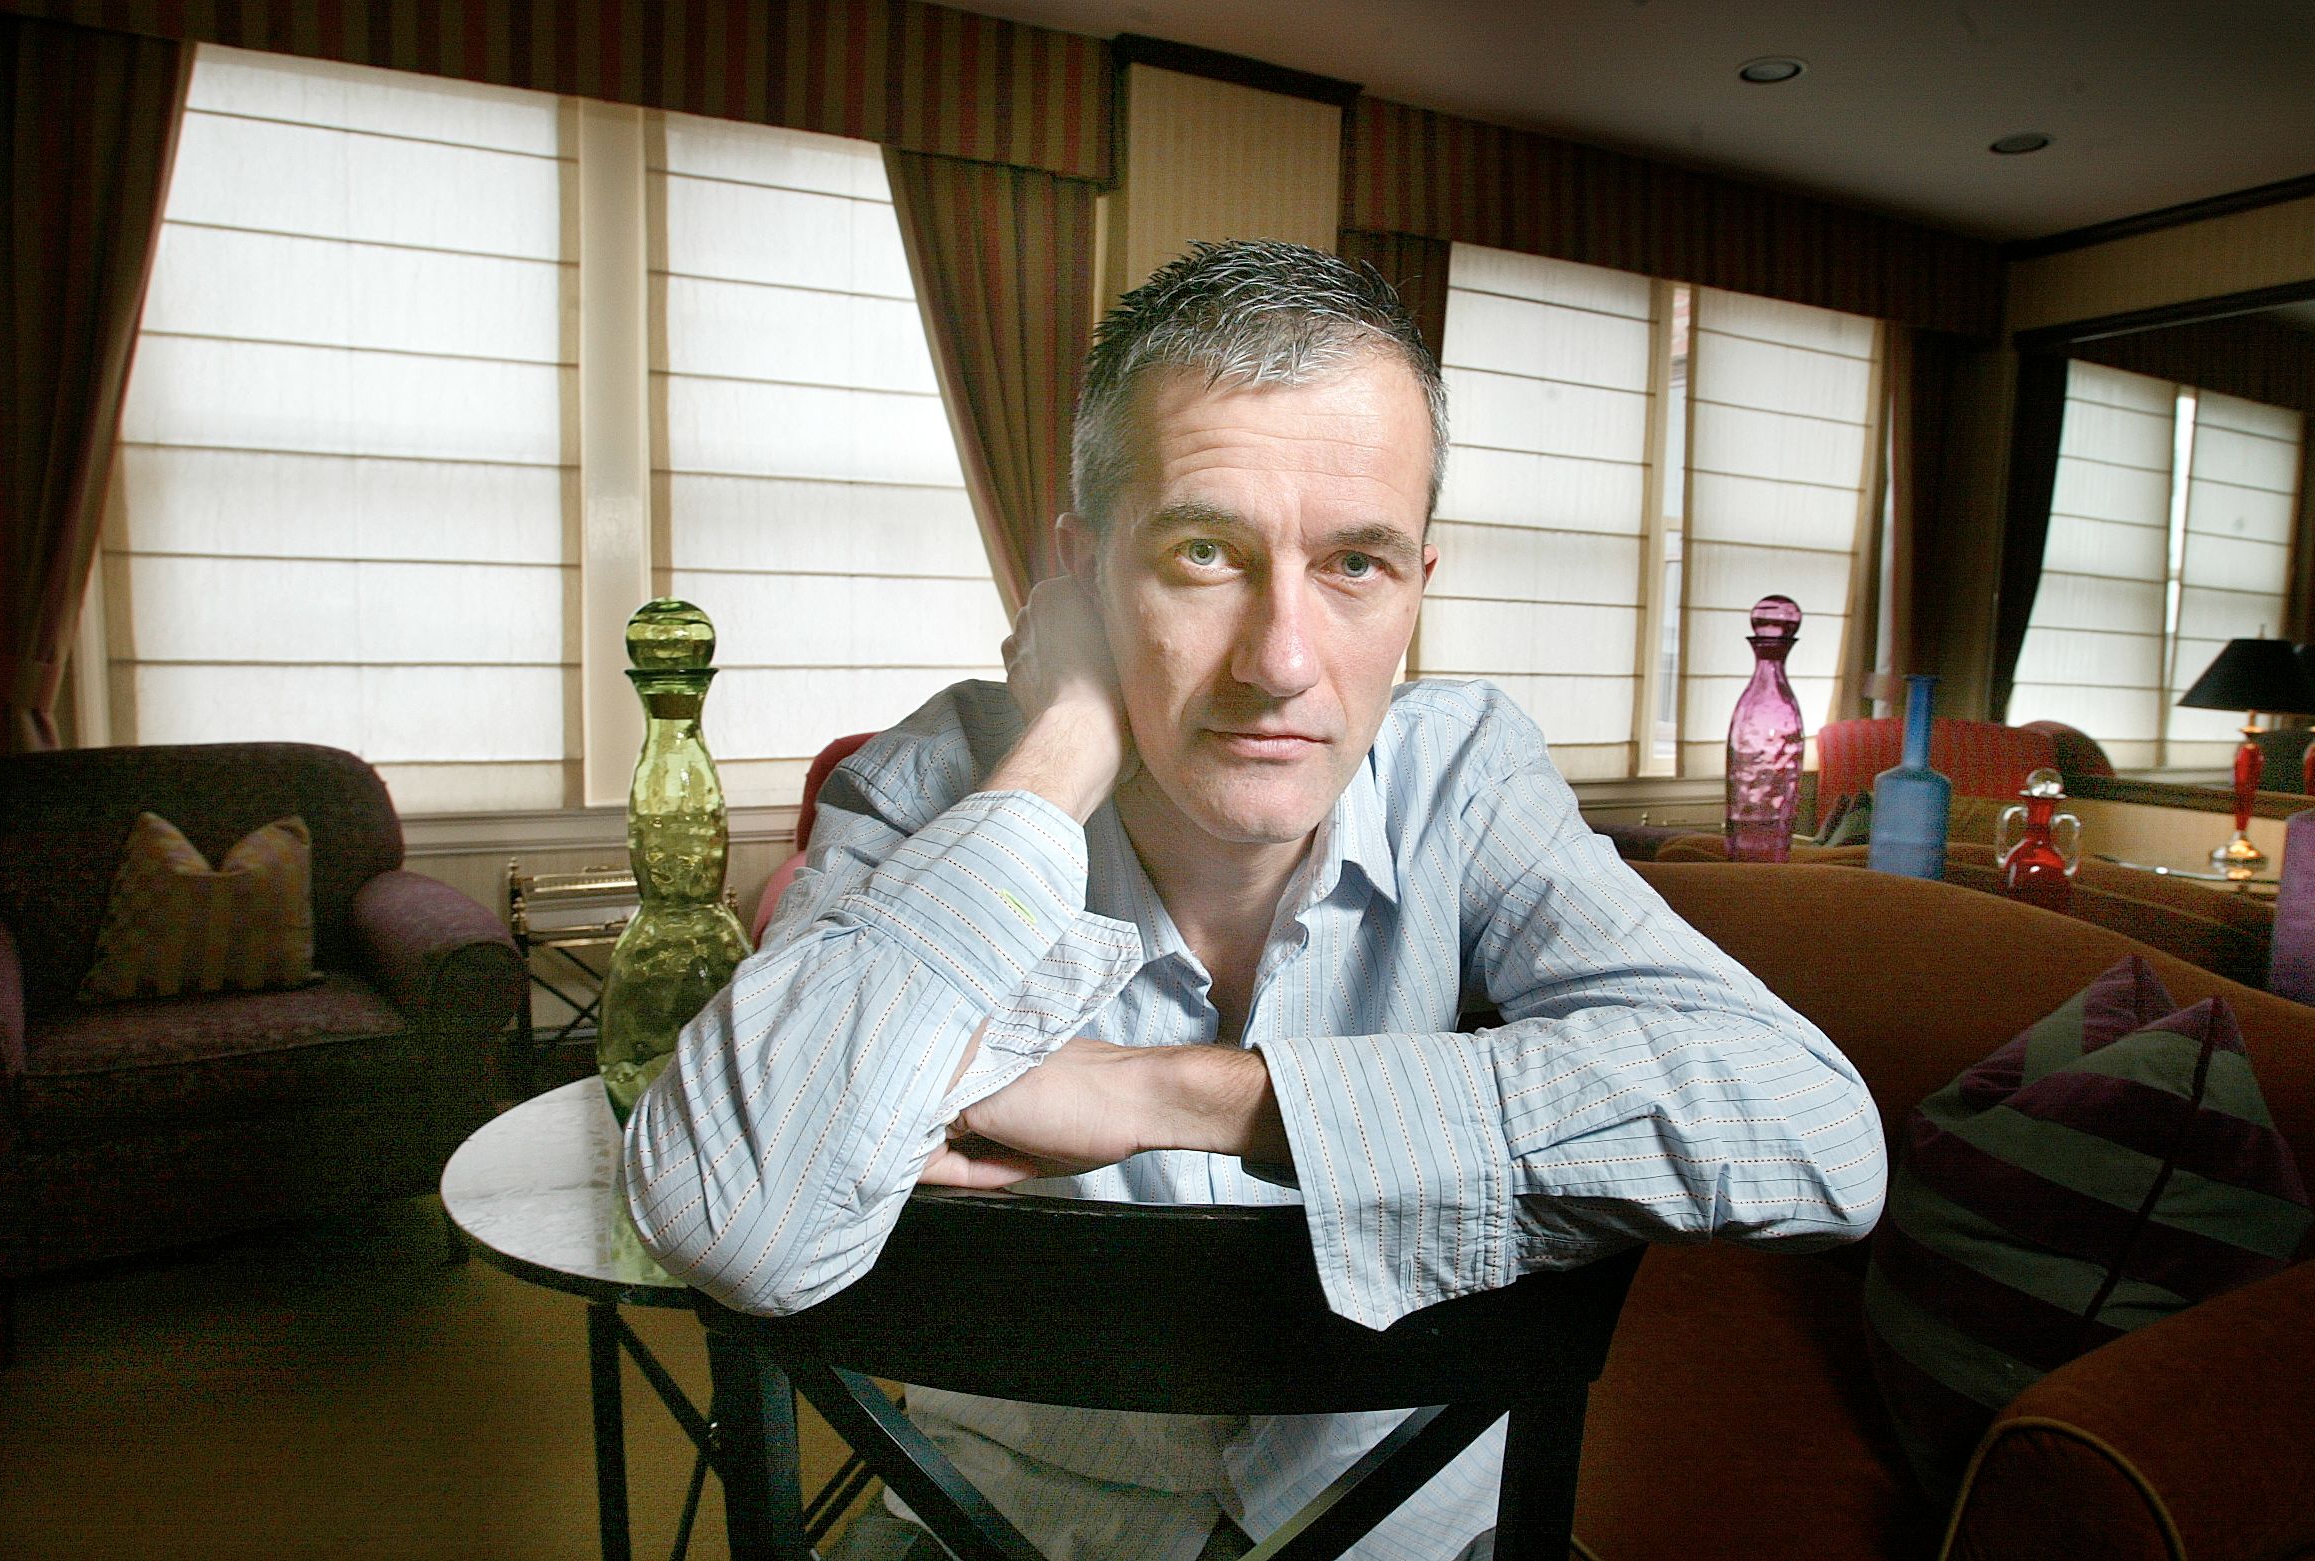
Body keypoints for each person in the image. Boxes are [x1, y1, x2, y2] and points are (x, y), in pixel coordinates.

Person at [625, 239, 1885, 1561]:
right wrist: (1065, 740)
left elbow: (1816, 1137)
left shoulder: (1467, 776)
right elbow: (732, 1218)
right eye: (1203, 551)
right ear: (1081, 571)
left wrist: (1189, 1095)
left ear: (1417, 586)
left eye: (1356, 565)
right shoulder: (937, 782)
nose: (1281, 662)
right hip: (1004, 1533)